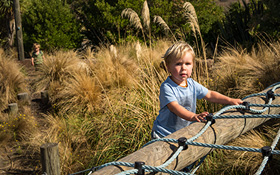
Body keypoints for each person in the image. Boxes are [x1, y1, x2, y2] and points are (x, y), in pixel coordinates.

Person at [151, 42, 243, 139]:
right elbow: (174, 107)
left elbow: (210, 94)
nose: (183, 68)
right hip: (163, 134)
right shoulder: (167, 87)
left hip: (181, 133)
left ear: (193, 65)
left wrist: (230, 101)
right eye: (178, 64)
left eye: (187, 64)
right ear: (168, 67)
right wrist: (193, 116)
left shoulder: (192, 84)